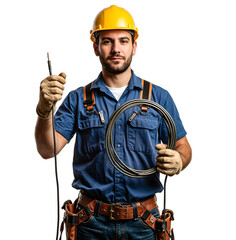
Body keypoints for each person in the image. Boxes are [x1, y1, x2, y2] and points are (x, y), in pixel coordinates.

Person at [35, 5, 192, 240]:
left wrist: (179, 159)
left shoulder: (158, 97)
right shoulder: (79, 99)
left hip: (144, 224)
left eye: (123, 41)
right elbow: (48, 149)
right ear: (96, 47)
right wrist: (44, 109)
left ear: (134, 46)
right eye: (107, 41)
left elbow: (183, 147)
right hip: (90, 224)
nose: (116, 49)